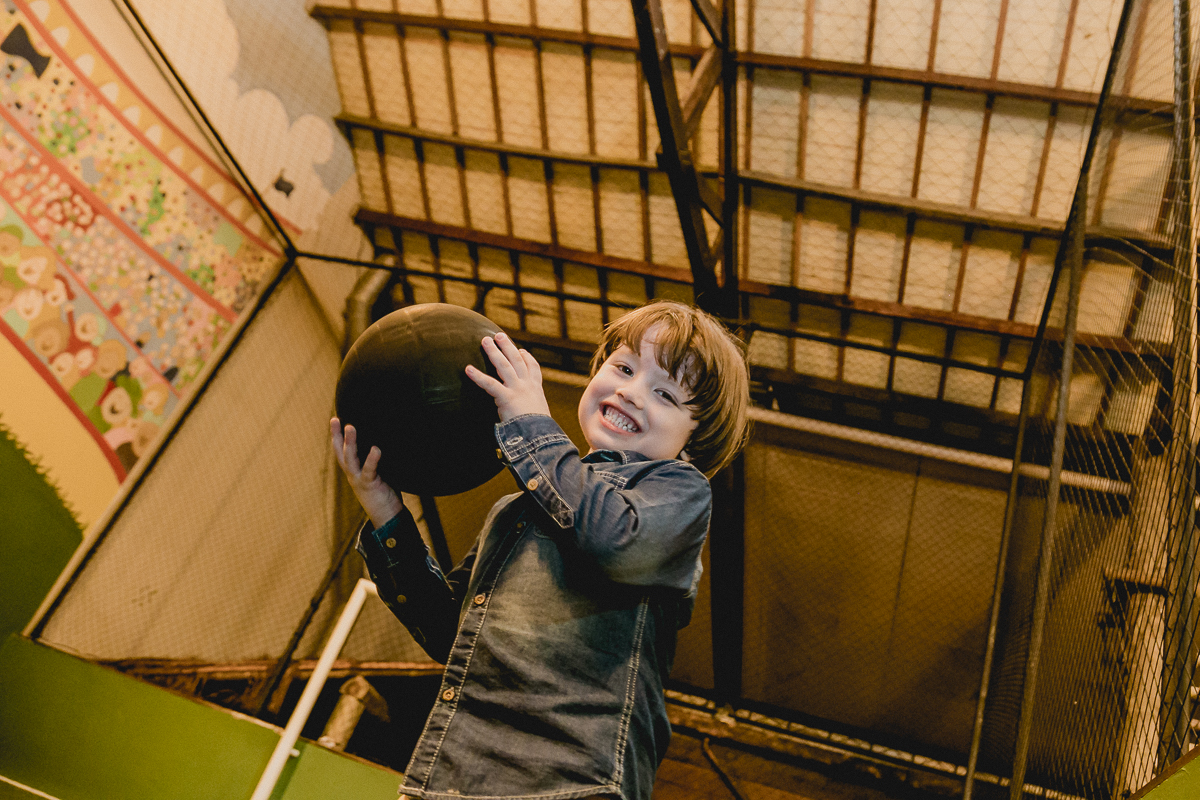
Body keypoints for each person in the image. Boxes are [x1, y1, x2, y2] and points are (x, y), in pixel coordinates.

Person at [330, 299, 751, 800]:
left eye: (665, 394)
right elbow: (454, 637)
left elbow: (614, 542)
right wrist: (385, 514)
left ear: (691, 444)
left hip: (572, 781)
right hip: (456, 779)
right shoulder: (515, 510)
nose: (631, 392)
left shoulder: (677, 490)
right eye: (623, 367)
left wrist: (530, 425)